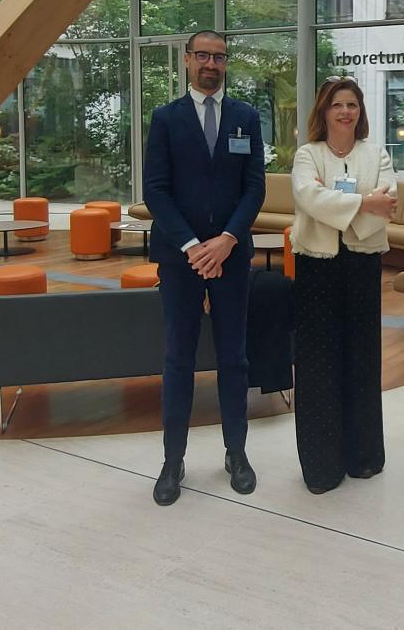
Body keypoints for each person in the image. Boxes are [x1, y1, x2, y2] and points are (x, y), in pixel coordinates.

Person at [141, 30, 266, 506]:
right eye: (203, 56)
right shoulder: (165, 118)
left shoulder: (245, 118)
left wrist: (227, 240)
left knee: (235, 358)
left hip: (231, 256)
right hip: (181, 258)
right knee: (178, 359)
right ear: (188, 60)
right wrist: (194, 246)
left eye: (219, 57)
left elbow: (253, 187)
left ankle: (237, 453)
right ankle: (172, 461)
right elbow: (156, 190)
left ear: (226, 63)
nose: (211, 64)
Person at [288, 78, 397, 494]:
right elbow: (307, 198)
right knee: (318, 363)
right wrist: (363, 202)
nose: (345, 112)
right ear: (324, 110)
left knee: (361, 358)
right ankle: (322, 466)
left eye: (352, 104)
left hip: (362, 263)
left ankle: (363, 457)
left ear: (360, 111)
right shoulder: (308, 154)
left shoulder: (376, 153)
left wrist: (341, 206)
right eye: (337, 104)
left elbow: (387, 203)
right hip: (316, 267)